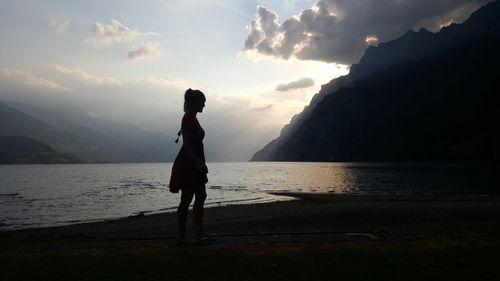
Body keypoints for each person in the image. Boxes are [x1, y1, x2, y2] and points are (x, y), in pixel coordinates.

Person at [169, 88, 209, 243]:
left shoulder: (193, 118)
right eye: (202, 102)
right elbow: (186, 145)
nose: (204, 105)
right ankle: (182, 236)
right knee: (187, 198)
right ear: (195, 103)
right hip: (189, 163)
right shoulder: (188, 119)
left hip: (195, 162)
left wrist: (200, 162)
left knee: (201, 195)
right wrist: (199, 163)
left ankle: (199, 232)